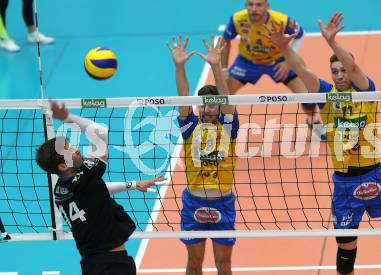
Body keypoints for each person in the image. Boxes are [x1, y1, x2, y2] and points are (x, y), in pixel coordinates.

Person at [264, 12, 381, 275]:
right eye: (334, 71)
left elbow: (356, 69)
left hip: (375, 176)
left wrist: (332, 42)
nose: (339, 75)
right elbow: (302, 69)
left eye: (343, 70)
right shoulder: (326, 95)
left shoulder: (367, 92)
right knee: (346, 252)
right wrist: (284, 48)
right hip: (345, 184)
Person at [35, 100, 164, 275]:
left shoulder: (61, 190)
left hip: (95, 264)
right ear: (63, 166)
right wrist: (67, 117)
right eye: (70, 150)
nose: (77, 150)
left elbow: (97, 192)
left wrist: (132, 185)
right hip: (111, 265)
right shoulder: (85, 178)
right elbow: (100, 132)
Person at [167, 34, 238, 275]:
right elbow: (183, 98)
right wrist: (179, 67)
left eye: (213, 103)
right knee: (194, 263)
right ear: (198, 106)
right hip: (194, 202)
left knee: (223, 264)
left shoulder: (228, 127)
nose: (209, 107)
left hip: (223, 202)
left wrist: (216, 66)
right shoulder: (189, 127)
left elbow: (228, 101)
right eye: (204, 103)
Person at [221, 0, 325, 140]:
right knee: (223, 95)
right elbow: (225, 40)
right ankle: (225, 129)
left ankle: (314, 121)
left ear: (267, 7)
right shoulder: (237, 19)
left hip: (278, 60)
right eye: (250, 4)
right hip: (247, 61)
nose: (254, 9)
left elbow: (300, 34)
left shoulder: (280, 20)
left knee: (305, 96)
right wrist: (223, 68)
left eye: (258, 5)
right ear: (246, 6)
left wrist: (288, 62)